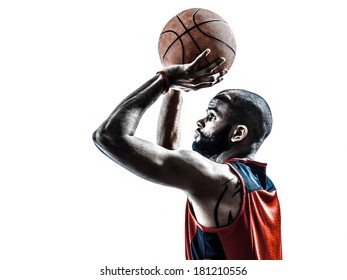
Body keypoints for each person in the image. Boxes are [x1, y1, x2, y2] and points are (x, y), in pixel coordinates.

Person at [93, 49, 282, 260]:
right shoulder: (263, 186)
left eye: (211, 116)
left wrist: (166, 79)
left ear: (238, 133)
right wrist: (176, 89)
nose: (200, 122)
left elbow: (109, 137)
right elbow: (170, 153)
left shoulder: (218, 180)